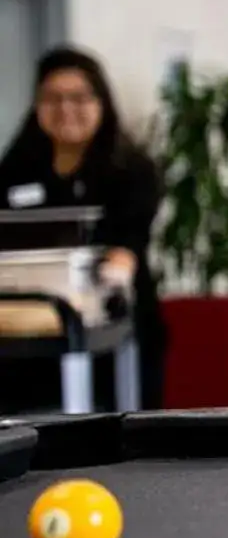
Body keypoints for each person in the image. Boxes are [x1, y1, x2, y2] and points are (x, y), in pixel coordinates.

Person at [1, 48, 166, 411]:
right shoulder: (16, 166)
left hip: (109, 328)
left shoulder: (131, 169)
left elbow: (129, 241)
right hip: (27, 328)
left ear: (100, 101)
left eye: (78, 97)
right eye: (52, 98)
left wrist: (115, 266)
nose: (65, 109)